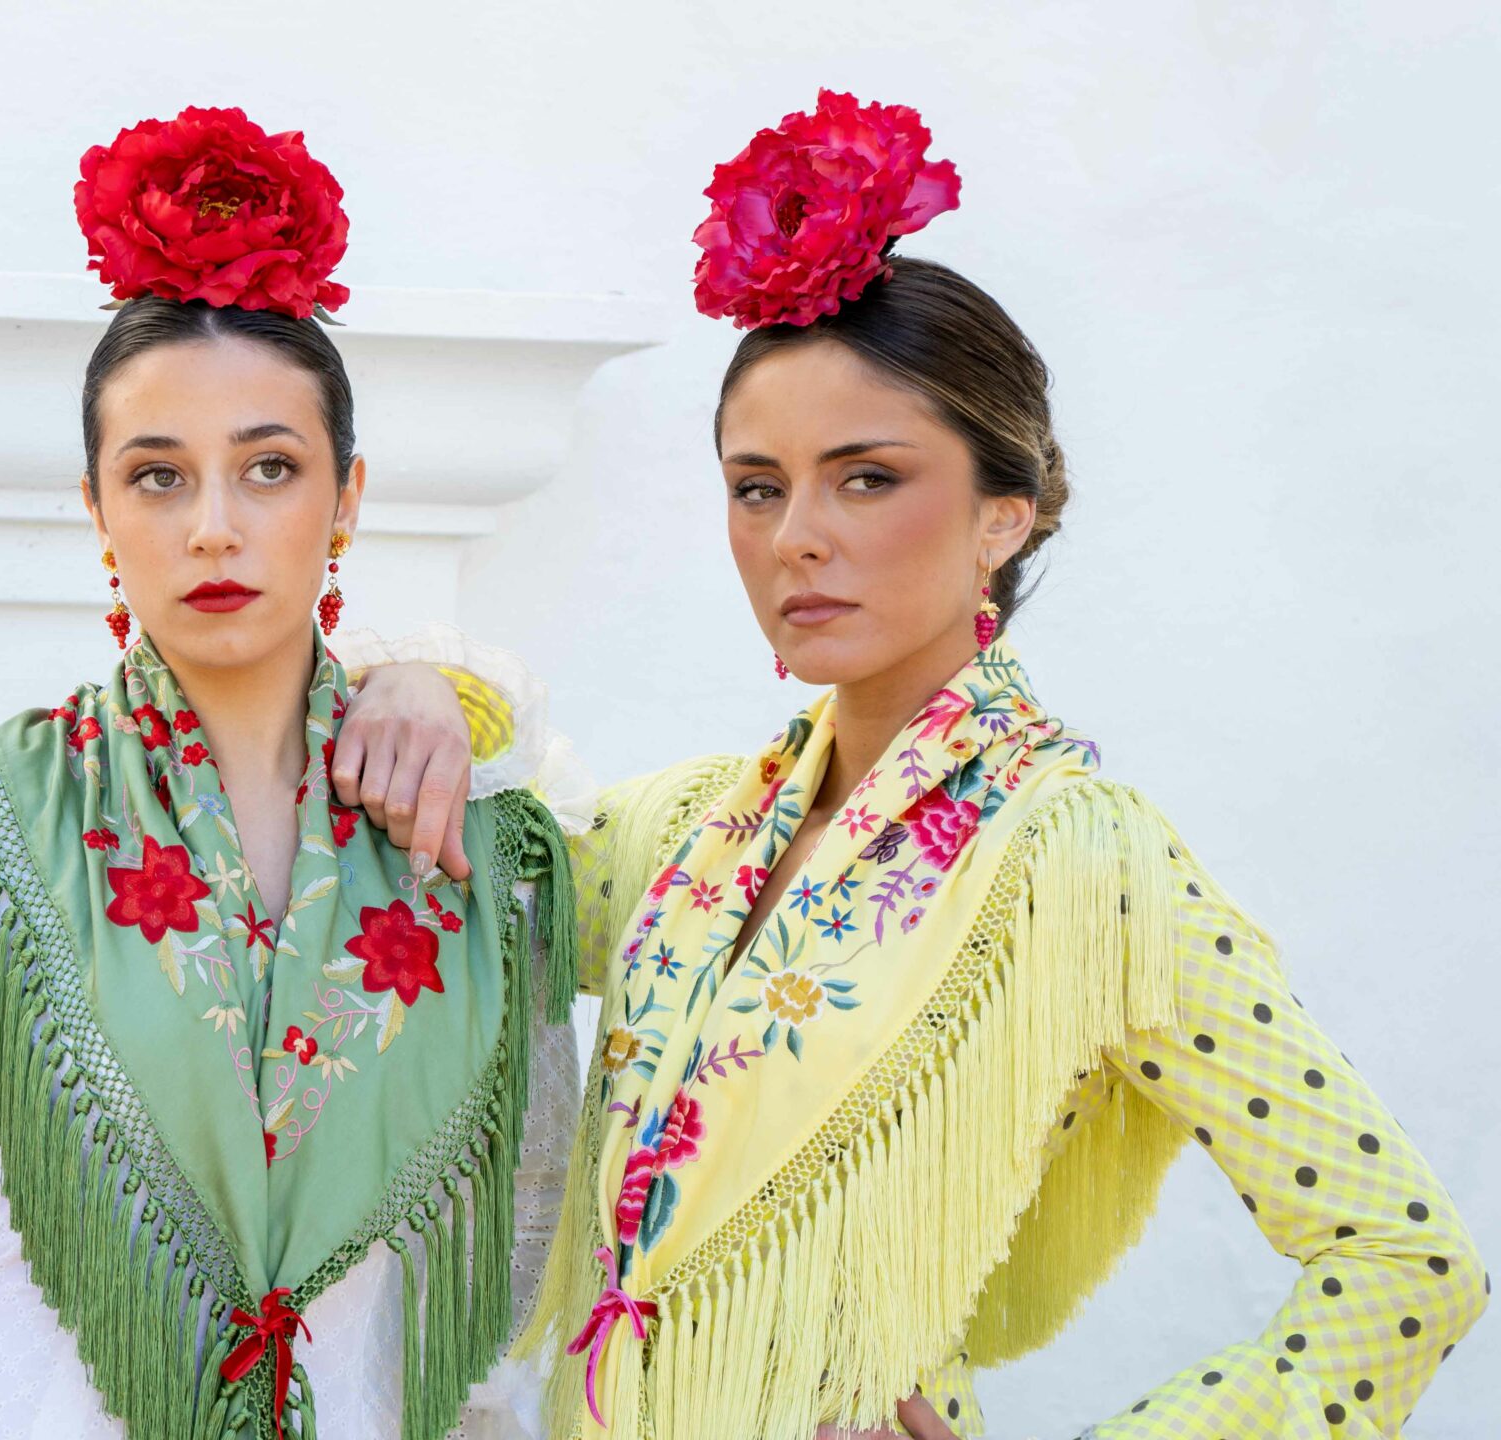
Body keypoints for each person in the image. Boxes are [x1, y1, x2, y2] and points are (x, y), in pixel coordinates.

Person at [516, 90, 1486, 1440]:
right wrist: (419, 683)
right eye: (757, 486)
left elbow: (1408, 1264)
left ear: (1002, 518)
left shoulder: (1080, 859)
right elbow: (406, 897)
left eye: (867, 477)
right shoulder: (677, 829)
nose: (797, 537)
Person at [0, 106, 585, 1440]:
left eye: (270, 469)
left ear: (348, 498)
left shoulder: (468, 827)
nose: (214, 528)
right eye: (159, 476)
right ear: (97, 509)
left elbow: (531, 1213)